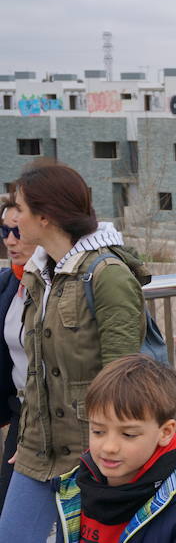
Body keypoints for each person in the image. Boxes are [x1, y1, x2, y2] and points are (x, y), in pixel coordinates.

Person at [0, 162, 149, 541]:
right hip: (37, 448)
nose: (13, 218)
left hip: (92, 452)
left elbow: (123, 376)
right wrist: (27, 438)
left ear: (45, 216)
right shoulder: (39, 272)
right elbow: (36, 369)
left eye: (19, 207)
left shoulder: (107, 273)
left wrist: (114, 453)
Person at [53, 354, 176, 542]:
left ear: (165, 432)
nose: (109, 447)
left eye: (128, 435)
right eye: (98, 431)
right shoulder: (73, 488)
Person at [0, 198, 36, 509]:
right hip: (20, 412)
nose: (9, 240)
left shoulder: (55, 284)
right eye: (3, 230)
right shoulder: (8, 282)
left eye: (17, 230)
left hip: (55, 417)